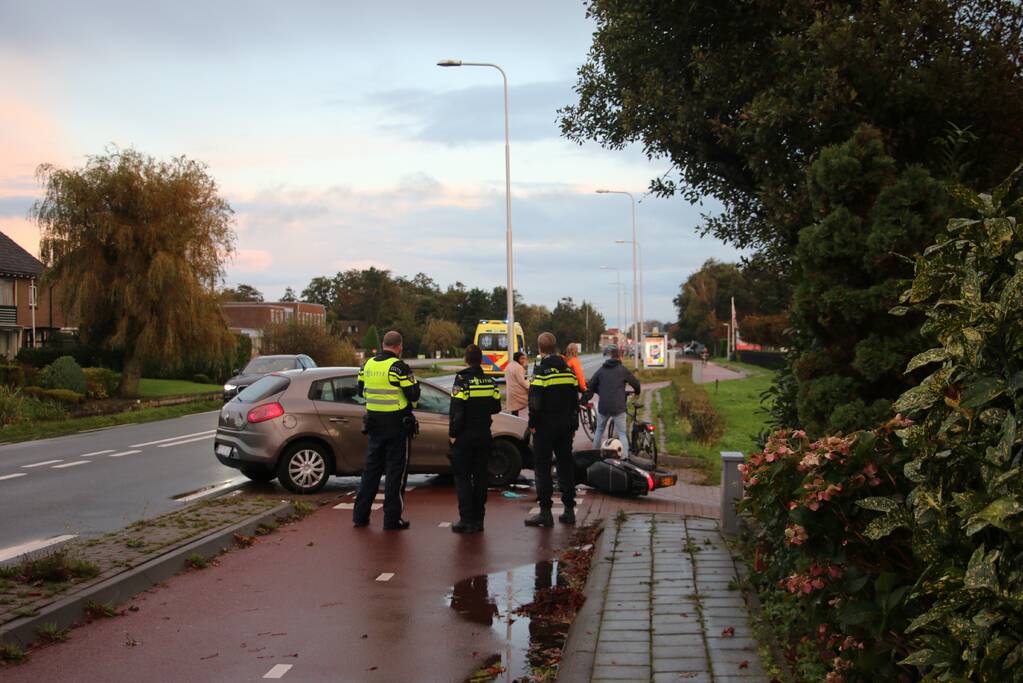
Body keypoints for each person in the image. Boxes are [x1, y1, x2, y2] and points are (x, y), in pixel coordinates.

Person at [352, 330, 420, 531]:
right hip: (397, 425)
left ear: (383, 344)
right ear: (399, 346)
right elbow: (413, 394)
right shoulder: (398, 368)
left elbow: (360, 390)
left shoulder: (367, 365)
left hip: (374, 423)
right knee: (395, 474)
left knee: (371, 471)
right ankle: (392, 520)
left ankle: (360, 516)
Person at [525, 332, 580, 527]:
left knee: (542, 468)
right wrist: (573, 425)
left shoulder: (541, 372)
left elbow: (534, 403)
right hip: (565, 427)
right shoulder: (568, 371)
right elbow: (575, 402)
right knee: (566, 466)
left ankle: (546, 512)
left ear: (540, 349)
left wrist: (532, 424)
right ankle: (568, 510)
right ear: (556, 347)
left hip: (544, 428)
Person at [448, 344, 502, 534]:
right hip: (483, 435)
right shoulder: (490, 380)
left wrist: (453, 434)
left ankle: (466, 519)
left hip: (465, 436)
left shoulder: (462, 380)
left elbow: (457, 411)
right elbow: (496, 407)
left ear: (466, 359)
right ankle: (479, 520)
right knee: (480, 478)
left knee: (462, 478)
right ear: (481, 360)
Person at [583, 346, 641, 458]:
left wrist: (599, 391)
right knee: (622, 433)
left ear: (610, 357)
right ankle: (625, 458)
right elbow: (635, 383)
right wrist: (637, 391)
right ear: (620, 357)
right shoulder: (622, 370)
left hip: (604, 406)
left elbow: (591, 384)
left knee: (599, 431)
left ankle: (595, 456)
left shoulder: (601, 370)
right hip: (618, 407)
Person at [505, 351, 530, 416]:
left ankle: (515, 422)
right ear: (517, 358)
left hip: (511, 392)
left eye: (524, 358)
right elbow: (522, 381)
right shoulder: (518, 367)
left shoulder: (509, 365)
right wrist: (530, 386)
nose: (523, 360)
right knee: (530, 402)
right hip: (518, 393)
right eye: (522, 358)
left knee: (514, 410)